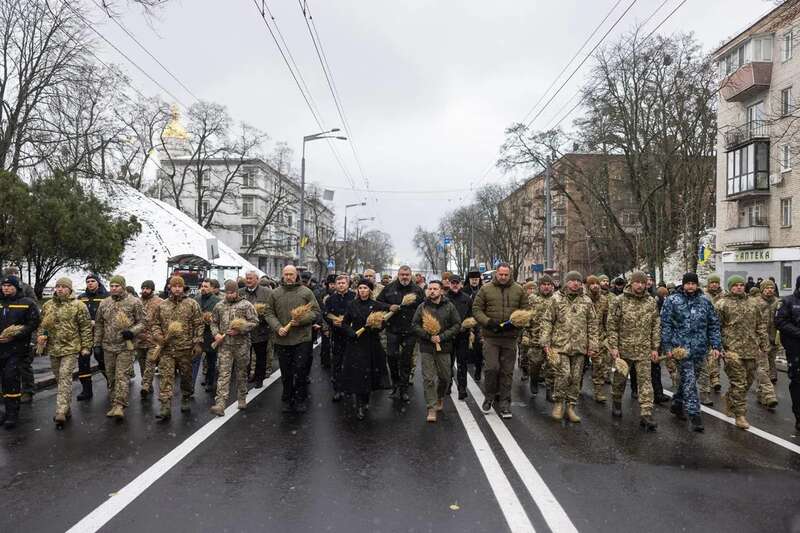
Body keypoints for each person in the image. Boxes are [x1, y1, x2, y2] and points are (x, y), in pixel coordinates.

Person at [660, 272, 722, 432]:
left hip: (700, 349)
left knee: (689, 380)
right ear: (683, 284)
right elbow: (666, 324)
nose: (690, 286)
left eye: (693, 283)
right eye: (688, 283)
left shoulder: (705, 302)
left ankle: (677, 403)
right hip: (681, 349)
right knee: (689, 380)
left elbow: (713, 325)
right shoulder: (672, 300)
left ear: (697, 285)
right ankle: (695, 415)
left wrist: (716, 345)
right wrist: (667, 347)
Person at [540, 271, 598, 423]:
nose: (575, 283)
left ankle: (571, 406)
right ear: (566, 282)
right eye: (572, 280)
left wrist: (593, 345)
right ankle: (559, 403)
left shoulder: (586, 300)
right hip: (560, 346)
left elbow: (592, 324)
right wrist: (545, 342)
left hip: (580, 347)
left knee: (576, 377)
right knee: (563, 375)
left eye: (578, 281)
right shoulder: (556, 299)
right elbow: (547, 321)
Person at [472, 263, 528, 418]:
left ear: (510, 275)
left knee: (507, 372)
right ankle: (489, 396)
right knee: (491, 368)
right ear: (496, 274)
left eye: (506, 274)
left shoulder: (519, 290)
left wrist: (516, 325)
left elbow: (526, 312)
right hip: (491, 337)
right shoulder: (485, 289)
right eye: (501, 274)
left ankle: (505, 403)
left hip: (509, 338)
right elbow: (476, 309)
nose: (503, 277)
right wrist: (488, 322)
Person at [715, 275, 771, 429]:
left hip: (751, 349)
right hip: (732, 351)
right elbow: (715, 328)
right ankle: (740, 415)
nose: (739, 287)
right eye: (735, 285)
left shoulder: (753, 303)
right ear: (730, 287)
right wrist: (718, 347)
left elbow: (760, 324)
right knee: (739, 383)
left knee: (748, 381)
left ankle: (730, 397)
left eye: (741, 284)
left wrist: (764, 344)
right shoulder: (722, 304)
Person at [606, 271, 660, 430]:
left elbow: (656, 325)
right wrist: (614, 347)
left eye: (643, 283)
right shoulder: (619, 301)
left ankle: (646, 413)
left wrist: (654, 347)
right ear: (631, 283)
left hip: (643, 350)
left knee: (645, 382)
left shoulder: (650, 302)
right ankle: (616, 402)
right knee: (620, 380)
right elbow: (612, 326)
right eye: (637, 282)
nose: (640, 285)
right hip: (624, 349)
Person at [263, 265, 321, 414]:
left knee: (300, 371)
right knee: (286, 372)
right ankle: (287, 399)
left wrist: (301, 320)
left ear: (296, 276)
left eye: (291, 274)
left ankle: (301, 398)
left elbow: (316, 312)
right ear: (283, 275)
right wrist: (277, 327)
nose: (289, 277)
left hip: (302, 339)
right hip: (282, 340)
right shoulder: (275, 293)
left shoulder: (306, 292)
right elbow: (268, 313)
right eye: (286, 274)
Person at [37, 278, 92, 427]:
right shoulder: (48, 305)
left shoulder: (78, 305)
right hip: (54, 348)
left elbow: (86, 327)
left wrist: (86, 346)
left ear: (70, 289)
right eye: (57, 286)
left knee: (64, 376)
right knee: (58, 377)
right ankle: (66, 408)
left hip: (71, 348)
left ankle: (60, 411)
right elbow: (42, 325)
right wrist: (41, 338)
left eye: (63, 287)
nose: (59, 289)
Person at [150, 276, 203, 420]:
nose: (177, 288)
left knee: (186, 377)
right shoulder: (162, 305)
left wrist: (197, 343)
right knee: (166, 378)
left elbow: (199, 324)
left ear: (183, 287)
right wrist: (158, 336)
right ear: (170, 287)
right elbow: (154, 324)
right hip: (167, 349)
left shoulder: (192, 304)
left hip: (185, 348)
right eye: (174, 286)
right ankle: (165, 406)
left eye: (180, 286)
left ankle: (186, 396)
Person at [94, 275, 146, 419]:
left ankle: (119, 405)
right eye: (112, 286)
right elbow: (99, 324)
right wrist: (97, 344)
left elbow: (143, 322)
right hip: (108, 346)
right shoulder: (104, 303)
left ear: (123, 286)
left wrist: (132, 331)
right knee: (111, 377)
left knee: (121, 376)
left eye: (117, 286)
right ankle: (113, 403)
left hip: (125, 347)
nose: (114, 288)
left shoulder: (134, 302)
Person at [340, 279, 392, 420]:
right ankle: (359, 405)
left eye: (365, 288)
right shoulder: (352, 305)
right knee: (358, 374)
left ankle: (366, 399)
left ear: (370, 290)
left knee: (369, 373)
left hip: (371, 343)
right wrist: (351, 332)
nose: (362, 290)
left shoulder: (376, 305)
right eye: (360, 288)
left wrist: (377, 325)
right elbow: (344, 323)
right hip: (356, 343)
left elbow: (383, 323)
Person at [411, 280, 460, 422]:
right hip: (427, 347)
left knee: (445, 377)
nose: (432, 291)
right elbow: (414, 325)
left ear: (441, 291)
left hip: (444, 347)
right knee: (428, 378)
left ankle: (439, 397)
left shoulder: (449, 306)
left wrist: (442, 337)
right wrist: (428, 336)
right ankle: (431, 408)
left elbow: (457, 324)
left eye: (435, 289)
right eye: (430, 289)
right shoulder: (422, 307)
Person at [376, 265, 425, 403]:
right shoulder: (389, 288)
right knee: (391, 356)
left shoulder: (417, 290)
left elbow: (424, 307)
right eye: (402, 274)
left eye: (407, 274)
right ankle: (396, 384)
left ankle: (403, 389)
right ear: (398, 274)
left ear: (411, 275)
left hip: (410, 330)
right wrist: (388, 307)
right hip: (393, 329)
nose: (404, 277)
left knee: (406, 359)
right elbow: (378, 303)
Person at [210, 280, 258, 416]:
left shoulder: (246, 305)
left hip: (241, 345)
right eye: (227, 292)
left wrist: (241, 329)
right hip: (225, 346)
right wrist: (216, 334)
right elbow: (213, 322)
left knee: (241, 373)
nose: (229, 295)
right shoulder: (219, 306)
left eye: (232, 292)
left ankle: (242, 397)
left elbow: (255, 322)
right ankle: (220, 404)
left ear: (237, 292)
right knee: (223, 374)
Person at [0, 276, 39, 428]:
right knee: (2, 381)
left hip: (16, 350)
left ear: (16, 287)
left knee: (11, 379)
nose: (6, 288)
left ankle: (12, 414)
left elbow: (34, 322)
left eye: (9, 286)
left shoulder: (26, 303)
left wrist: (16, 334)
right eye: (4, 285)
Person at [522, 275, 556, 401]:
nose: (546, 287)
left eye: (549, 284)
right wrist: (525, 335)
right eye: (544, 284)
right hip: (535, 338)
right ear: (539, 286)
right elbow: (526, 318)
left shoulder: (556, 299)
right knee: (535, 364)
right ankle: (534, 380)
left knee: (552, 366)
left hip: (552, 340)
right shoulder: (532, 299)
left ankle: (549, 390)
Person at [77, 274, 109, 401]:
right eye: (88, 281)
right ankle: (86, 390)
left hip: (101, 334)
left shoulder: (106, 297)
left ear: (98, 282)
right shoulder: (81, 298)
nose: (90, 283)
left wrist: (97, 322)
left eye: (92, 281)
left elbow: (112, 316)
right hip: (85, 334)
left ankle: (111, 382)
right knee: (83, 361)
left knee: (101, 358)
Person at [775, 276, 800, 431]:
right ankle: (799, 415)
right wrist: (798, 332)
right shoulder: (788, 301)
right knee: (797, 382)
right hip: (795, 348)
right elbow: (780, 322)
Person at [240, 270, 273, 386]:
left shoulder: (267, 293)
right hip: (244, 332)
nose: (248, 280)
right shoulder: (240, 293)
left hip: (260, 330)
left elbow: (270, 310)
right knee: (245, 357)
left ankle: (260, 378)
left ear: (257, 279)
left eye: (251, 278)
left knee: (260, 356)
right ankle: (248, 376)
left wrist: (261, 316)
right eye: (247, 278)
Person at [325, 275, 355, 401]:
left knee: (351, 362)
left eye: (343, 283)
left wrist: (349, 323)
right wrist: (332, 321)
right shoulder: (330, 299)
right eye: (339, 283)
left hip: (351, 334)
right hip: (337, 335)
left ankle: (349, 388)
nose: (341, 285)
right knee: (337, 362)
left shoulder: (354, 297)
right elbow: (326, 313)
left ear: (348, 284)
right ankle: (338, 389)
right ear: (335, 285)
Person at [447, 275, 473, 400]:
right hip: (447, 337)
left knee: (462, 364)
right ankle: (448, 385)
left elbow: (472, 315)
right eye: (453, 283)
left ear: (461, 284)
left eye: (457, 283)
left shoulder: (467, 299)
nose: (455, 285)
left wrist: (468, 326)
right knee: (448, 363)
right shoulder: (444, 298)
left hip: (463, 336)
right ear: (449, 284)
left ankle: (462, 388)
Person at [585, 275, 610, 402]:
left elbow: (607, 319)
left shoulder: (604, 300)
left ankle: (598, 391)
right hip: (581, 336)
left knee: (599, 364)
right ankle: (576, 388)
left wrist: (607, 335)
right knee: (579, 366)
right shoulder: (582, 299)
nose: (595, 285)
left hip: (599, 336)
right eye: (592, 283)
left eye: (597, 283)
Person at [136, 280, 162, 399]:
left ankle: (145, 385)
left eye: (147, 288)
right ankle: (147, 383)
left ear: (152, 289)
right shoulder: (137, 302)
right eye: (143, 288)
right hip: (140, 339)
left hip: (153, 340)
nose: (145, 290)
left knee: (150, 362)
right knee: (142, 364)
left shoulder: (159, 302)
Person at [195, 279, 221, 394]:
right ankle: (192, 384)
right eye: (202, 286)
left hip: (211, 334)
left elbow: (219, 318)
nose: (203, 288)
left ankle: (210, 382)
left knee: (211, 360)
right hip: (198, 334)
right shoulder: (196, 299)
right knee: (196, 359)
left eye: (206, 286)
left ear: (211, 288)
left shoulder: (217, 301)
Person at [756, 280, 781, 387]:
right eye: (767, 288)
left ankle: (772, 376)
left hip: (774, 335)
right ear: (762, 290)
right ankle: (765, 380)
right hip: (760, 335)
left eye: (772, 288)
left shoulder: (778, 302)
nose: (770, 290)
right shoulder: (756, 302)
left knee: (772, 357)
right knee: (763, 358)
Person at [463, 269, 484, 381]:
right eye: (472, 279)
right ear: (469, 280)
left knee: (478, 348)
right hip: (468, 321)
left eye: (476, 279)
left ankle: (478, 369)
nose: (475, 281)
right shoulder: (464, 290)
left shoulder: (483, 289)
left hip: (480, 323)